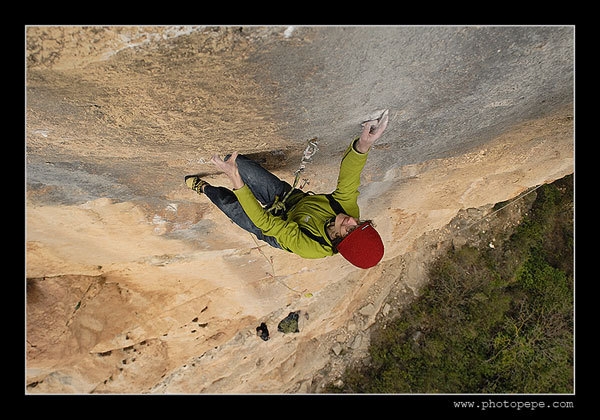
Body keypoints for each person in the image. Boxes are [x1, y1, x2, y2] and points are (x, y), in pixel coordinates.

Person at [185, 110, 389, 269]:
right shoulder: (348, 213)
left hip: (274, 231)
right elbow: (349, 180)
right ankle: (239, 172)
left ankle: (203, 188)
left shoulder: (310, 247)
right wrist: (364, 145)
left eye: (350, 228)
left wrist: (235, 178)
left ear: (337, 238)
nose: (352, 219)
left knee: (230, 204)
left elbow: (265, 223)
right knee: (239, 162)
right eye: (360, 223)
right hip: (289, 200)